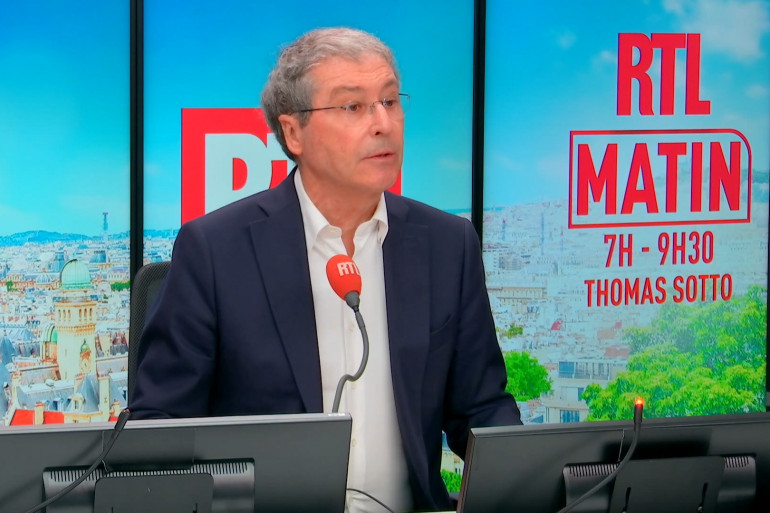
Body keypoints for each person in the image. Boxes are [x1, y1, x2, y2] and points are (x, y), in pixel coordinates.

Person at [130, 27, 521, 512]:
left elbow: (482, 408)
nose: (383, 124)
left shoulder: (447, 244)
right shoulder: (216, 251)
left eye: (390, 101)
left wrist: (524, 477)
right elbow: (159, 427)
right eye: (353, 106)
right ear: (294, 133)